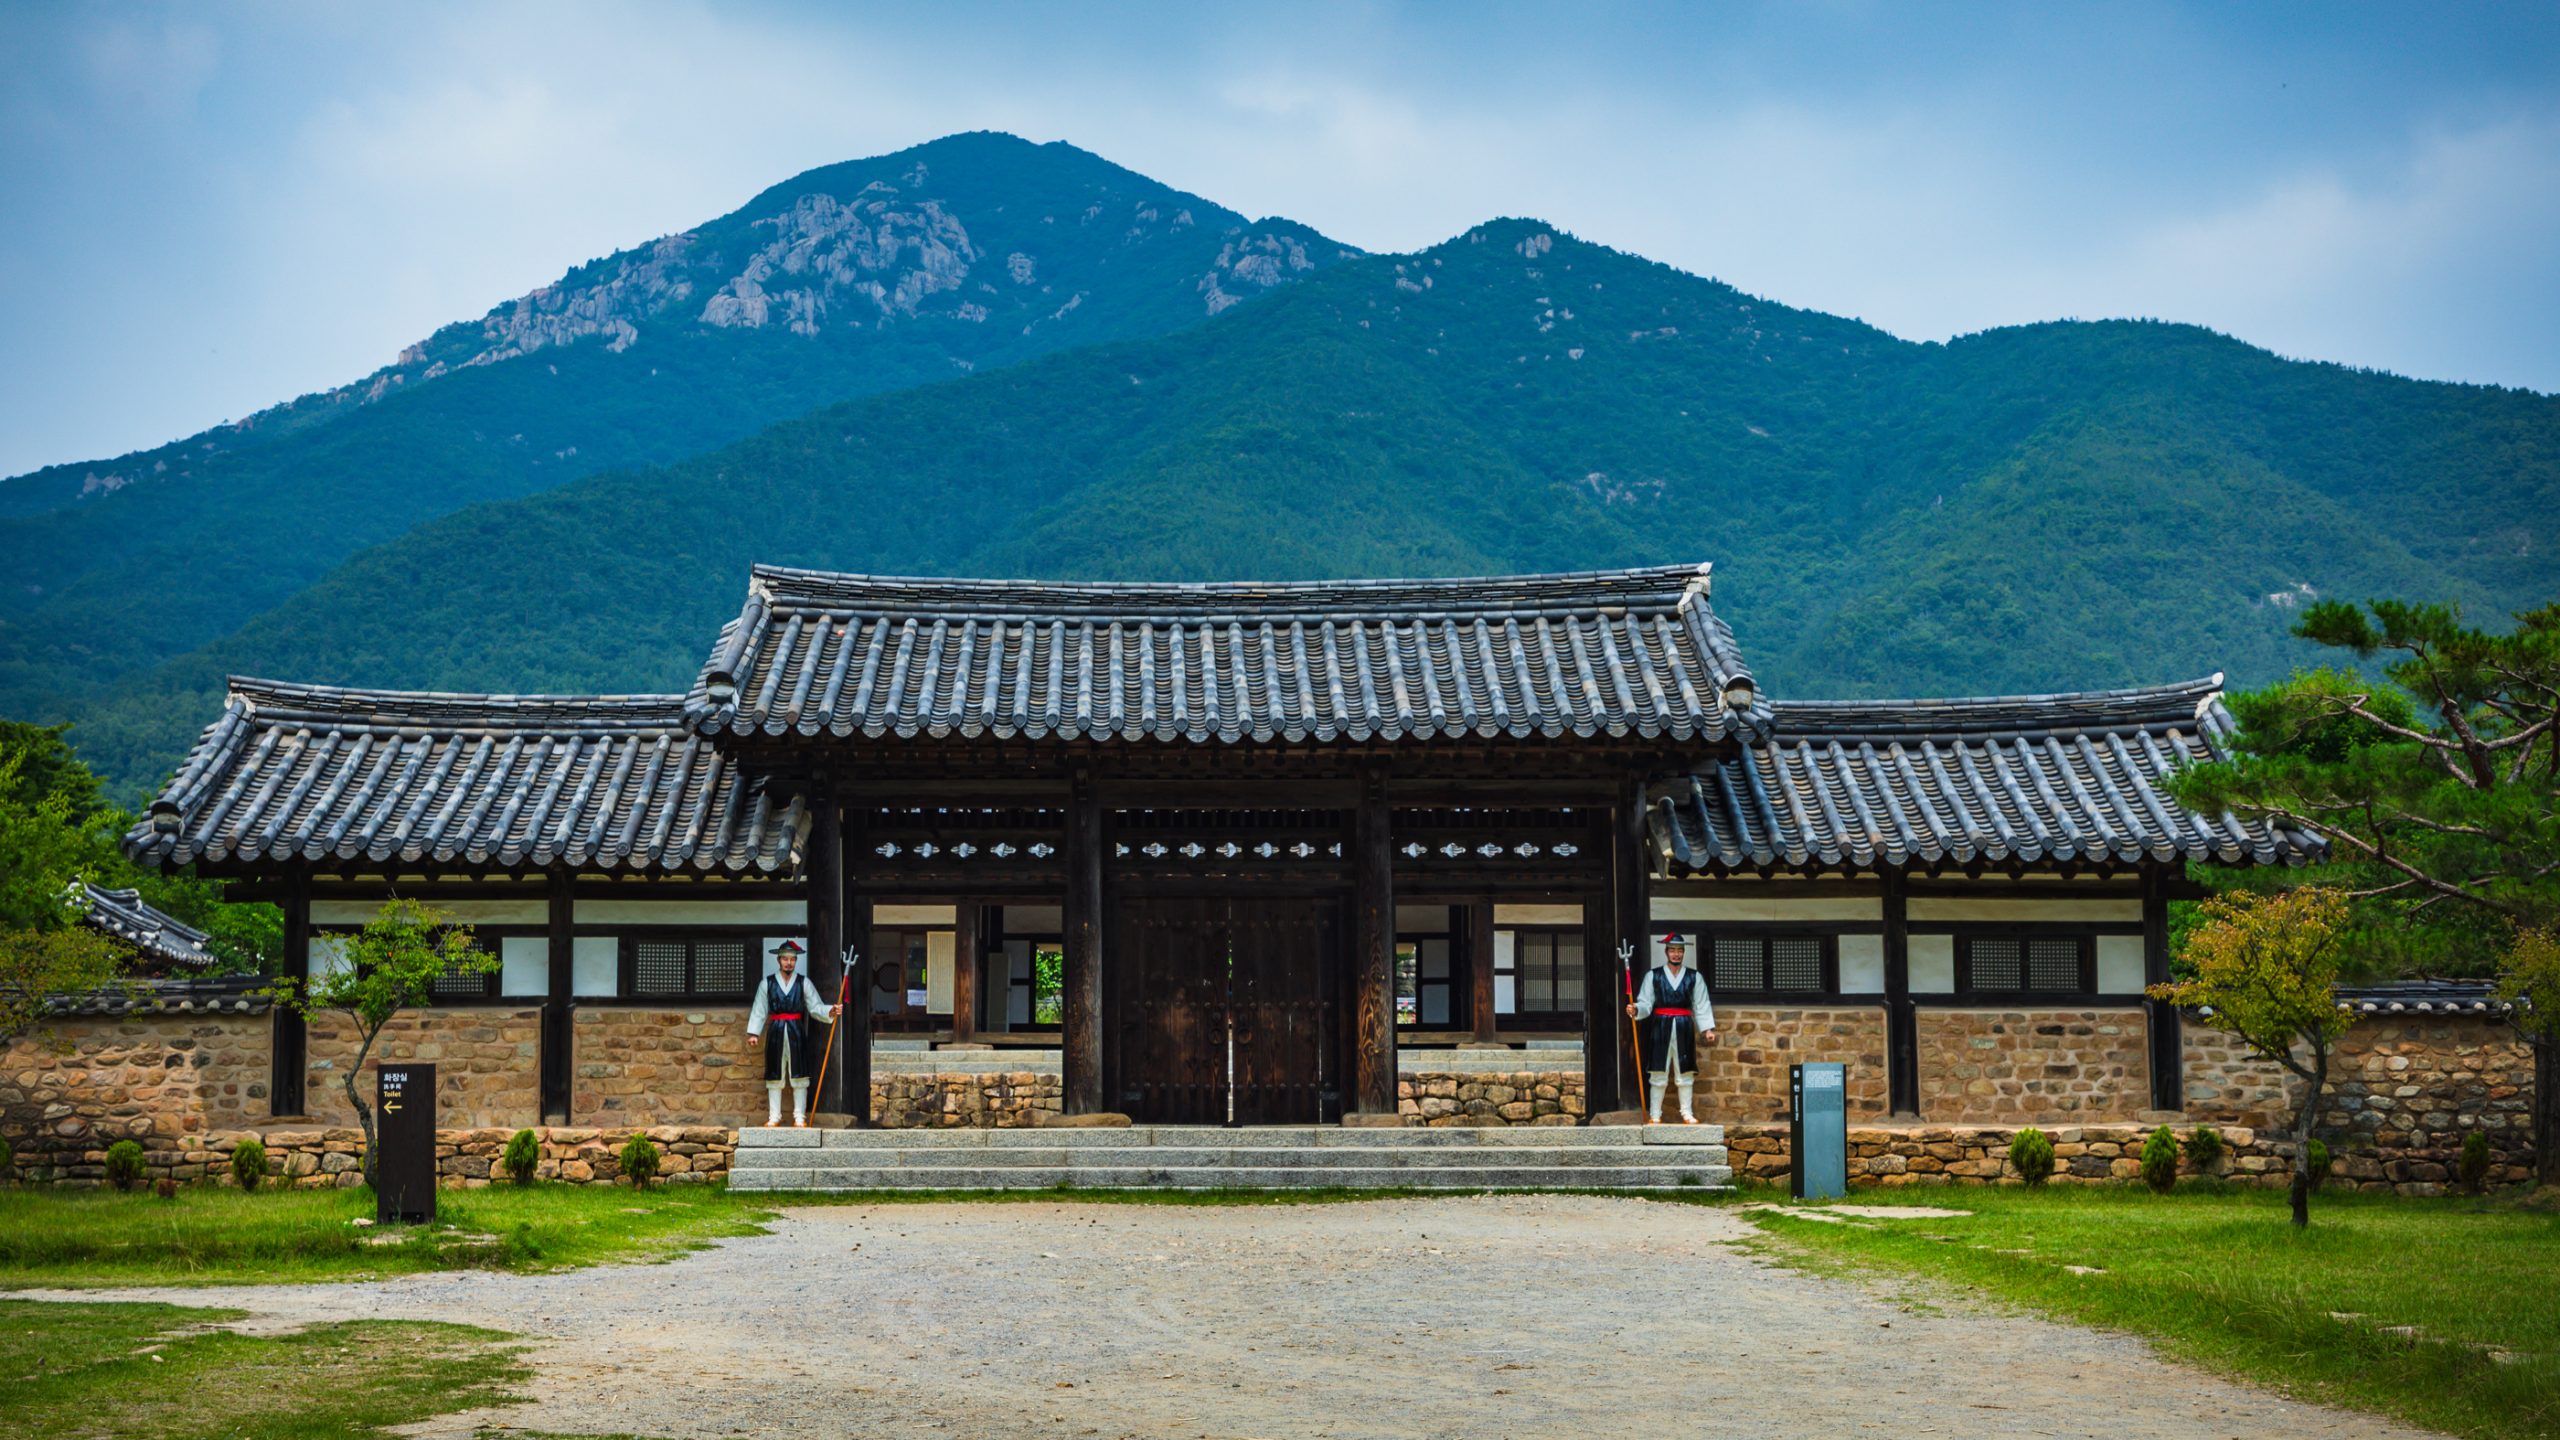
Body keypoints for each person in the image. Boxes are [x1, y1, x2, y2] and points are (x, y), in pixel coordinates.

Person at [1625, 933, 1717, 1123]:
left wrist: (1707, 1028)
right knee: (1658, 1070)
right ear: (1666, 952)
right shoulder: (1653, 976)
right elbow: (1645, 1002)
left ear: (1683, 953)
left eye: (1680, 951)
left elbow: (1701, 1003)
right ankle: (1655, 1114)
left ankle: (1686, 1113)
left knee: (1685, 1070)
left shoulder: (1694, 977)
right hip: (1661, 1025)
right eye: (1673, 950)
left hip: (1684, 1025)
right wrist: (1636, 1009)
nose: (1676, 954)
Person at [746, 939, 835, 1127]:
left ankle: (799, 1117)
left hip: (796, 1031)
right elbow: (759, 1009)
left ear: (796, 961)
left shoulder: (804, 983)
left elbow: (815, 1006)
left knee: (800, 1074)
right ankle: (774, 1117)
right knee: (774, 1074)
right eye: (785, 959)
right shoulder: (767, 983)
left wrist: (830, 1011)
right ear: (779, 960)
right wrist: (754, 1033)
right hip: (776, 1030)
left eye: (792, 959)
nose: (789, 963)